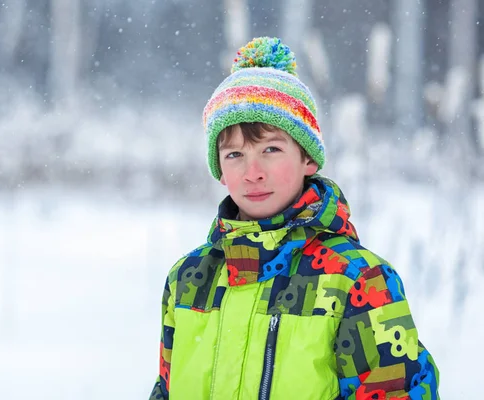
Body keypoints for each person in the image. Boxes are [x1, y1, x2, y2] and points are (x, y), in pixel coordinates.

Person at [149, 37, 439, 400]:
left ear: (308, 159)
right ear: (219, 170)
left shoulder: (355, 280)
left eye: (271, 149)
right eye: (235, 154)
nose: (252, 172)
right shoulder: (189, 280)